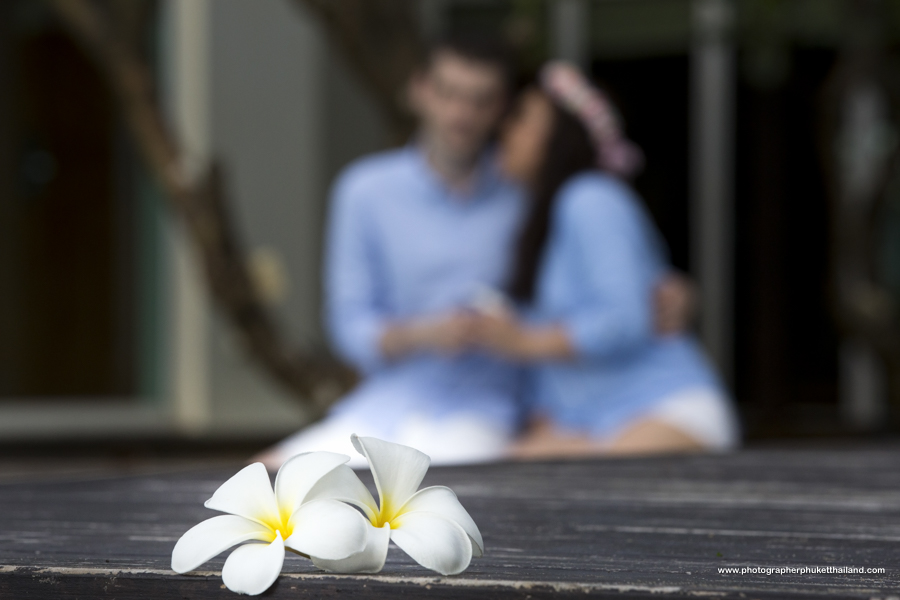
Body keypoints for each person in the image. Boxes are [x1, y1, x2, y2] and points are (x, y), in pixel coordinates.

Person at [256, 40, 695, 469]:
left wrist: (667, 287)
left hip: (486, 414)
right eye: (448, 93)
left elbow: (598, 269)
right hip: (384, 404)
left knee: (434, 497)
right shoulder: (364, 191)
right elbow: (349, 326)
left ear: (502, 109)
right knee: (265, 480)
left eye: (479, 100)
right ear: (419, 91)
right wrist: (424, 334)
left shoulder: (528, 191)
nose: (460, 114)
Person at [471, 62, 741, 458]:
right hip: (600, 426)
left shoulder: (591, 197)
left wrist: (522, 341)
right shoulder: (542, 215)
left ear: (558, 133)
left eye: (520, 118)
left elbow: (624, 319)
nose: (505, 130)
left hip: (663, 410)